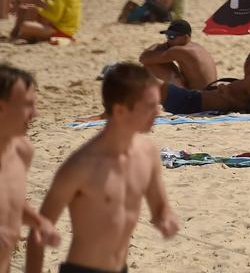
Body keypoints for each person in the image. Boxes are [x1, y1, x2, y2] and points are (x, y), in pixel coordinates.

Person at [27, 63, 178, 273]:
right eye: (150, 106)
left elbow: (160, 208)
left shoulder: (148, 153)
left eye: (158, 104)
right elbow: (39, 232)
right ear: (120, 110)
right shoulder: (81, 166)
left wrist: (166, 218)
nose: (158, 112)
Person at [0, 65, 59, 272]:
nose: (36, 114)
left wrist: (38, 222)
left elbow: (10, 199)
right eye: (27, 106)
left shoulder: (22, 151)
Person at [161, 51, 250, 115]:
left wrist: (227, 95)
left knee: (156, 87)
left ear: (247, 65)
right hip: (195, 100)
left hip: (195, 102)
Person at [138, 20, 216, 90]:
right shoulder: (195, 47)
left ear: (185, 37)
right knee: (161, 60)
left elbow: (143, 58)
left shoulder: (180, 50)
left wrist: (157, 45)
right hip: (211, 94)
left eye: (172, 37)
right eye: (167, 36)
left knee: (151, 65)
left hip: (200, 99)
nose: (168, 40)